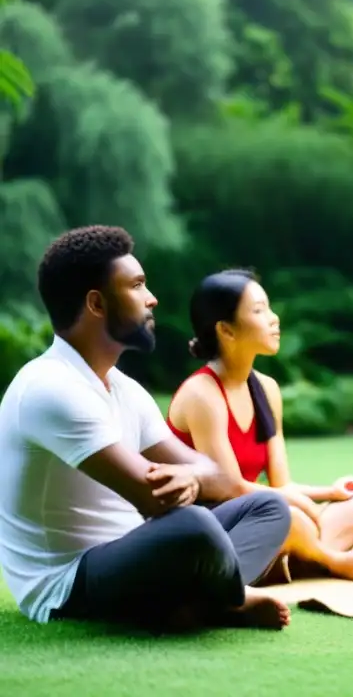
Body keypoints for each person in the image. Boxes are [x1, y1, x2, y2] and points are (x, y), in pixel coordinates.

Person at [0, 226, 293, 632]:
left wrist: (191, 475)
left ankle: (206, 601)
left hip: (137, 550)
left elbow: (222, 478)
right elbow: (154, 497)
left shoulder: (124, 389)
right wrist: (192, 482)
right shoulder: (50, 388)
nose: (151, 298)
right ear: (97, 303)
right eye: (137, 286)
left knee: (270, 507)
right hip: (68, 581)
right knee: (193, 524)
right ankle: (228, 597)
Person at [166, 269, 353, 584]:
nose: (273, 318)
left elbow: (282, 484)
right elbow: (230, 490)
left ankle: (298, 558)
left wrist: (331, 492)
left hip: (267, 512)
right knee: (291, 516)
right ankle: (324, 558)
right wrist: (293, 504)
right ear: (226, 330)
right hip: (216, 523)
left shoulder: (266, 389)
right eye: (258, 310)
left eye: (269, 307)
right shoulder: (202, 394)